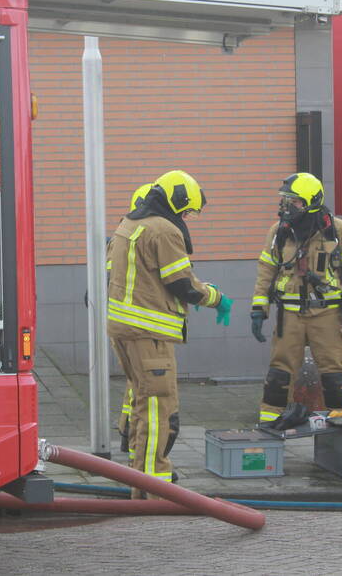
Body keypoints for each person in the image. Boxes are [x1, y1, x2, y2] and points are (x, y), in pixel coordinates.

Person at [106, 170, 231, 496]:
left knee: (141, 400)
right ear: (176, 202)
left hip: (124, 329)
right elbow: (182, 284)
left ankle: (138, 471)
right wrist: (215, 297)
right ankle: (152, 483)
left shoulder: (129, 224)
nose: (187, 217)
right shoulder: (164, 230)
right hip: (149, 332)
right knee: (159, 406)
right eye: (187, 210)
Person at [251, 172, 342, 425]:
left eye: (295, 201)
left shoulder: (337, 230)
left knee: (334, 375)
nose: (288, 207)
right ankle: (270, 424)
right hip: (289, 315)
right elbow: (266, 271)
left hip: (328, 313)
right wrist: (259, 309)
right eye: (286, 201)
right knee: (279, 374)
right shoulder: (279, 231)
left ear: (312, 201)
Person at [116, 183, 153, 460]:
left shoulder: (125, 232)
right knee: (141, 388)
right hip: (136, 322)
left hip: (125, 319)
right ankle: (132, 443)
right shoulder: (134, 235)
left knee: (135, 386)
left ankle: (129, 439)